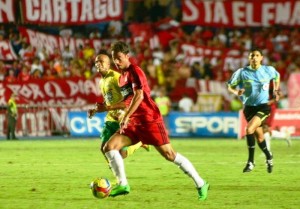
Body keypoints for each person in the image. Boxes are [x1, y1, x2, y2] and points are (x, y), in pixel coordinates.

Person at [95, 41, 209, 200]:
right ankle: (123, 184)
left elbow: (139, 96)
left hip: (150, 120)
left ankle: (201, 183)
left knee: (169, 155)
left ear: (127, 56)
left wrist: (126, 116)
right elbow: (128, 100)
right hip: (134, 122)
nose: (117, 62)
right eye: (114, 59)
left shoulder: (135, 71)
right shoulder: (121, 78)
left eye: (119, 58)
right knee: (109, 147)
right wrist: (122, 114)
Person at [87, 52, 149, 182]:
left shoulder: (116, 78)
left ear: (109, 64)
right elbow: (108, 101)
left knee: (121, 153)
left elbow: (128, 99)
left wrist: (123, 112)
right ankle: (118, 176)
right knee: (104, 148)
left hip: (121, 118)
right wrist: (96, 109)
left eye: (101, 61)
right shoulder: (101, 81)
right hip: (110, 119)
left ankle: (138, 143)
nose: (98, 64)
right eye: (96, 62)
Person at [227, 48, 280, 173]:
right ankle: (269, 156)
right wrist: (236, 91)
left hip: (263, 107)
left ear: (261, 57)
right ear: (248, 58)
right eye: (252, 56)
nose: (254, 58)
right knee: (260, 138)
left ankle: (251, 162)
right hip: (249, 108)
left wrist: (276, 90)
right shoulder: (242, 72)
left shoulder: (268, 70)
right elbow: (230, 85)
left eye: (257, 55)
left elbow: (277, 77)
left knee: (249, 129)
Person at [263, 80, 291, 150]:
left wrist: (270, 102)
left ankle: (267, 152)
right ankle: (284, 135)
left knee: (265, 128)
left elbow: (280, 95)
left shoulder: (273, 83)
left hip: (270, 108)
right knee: (264, 129)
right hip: (262, 107)